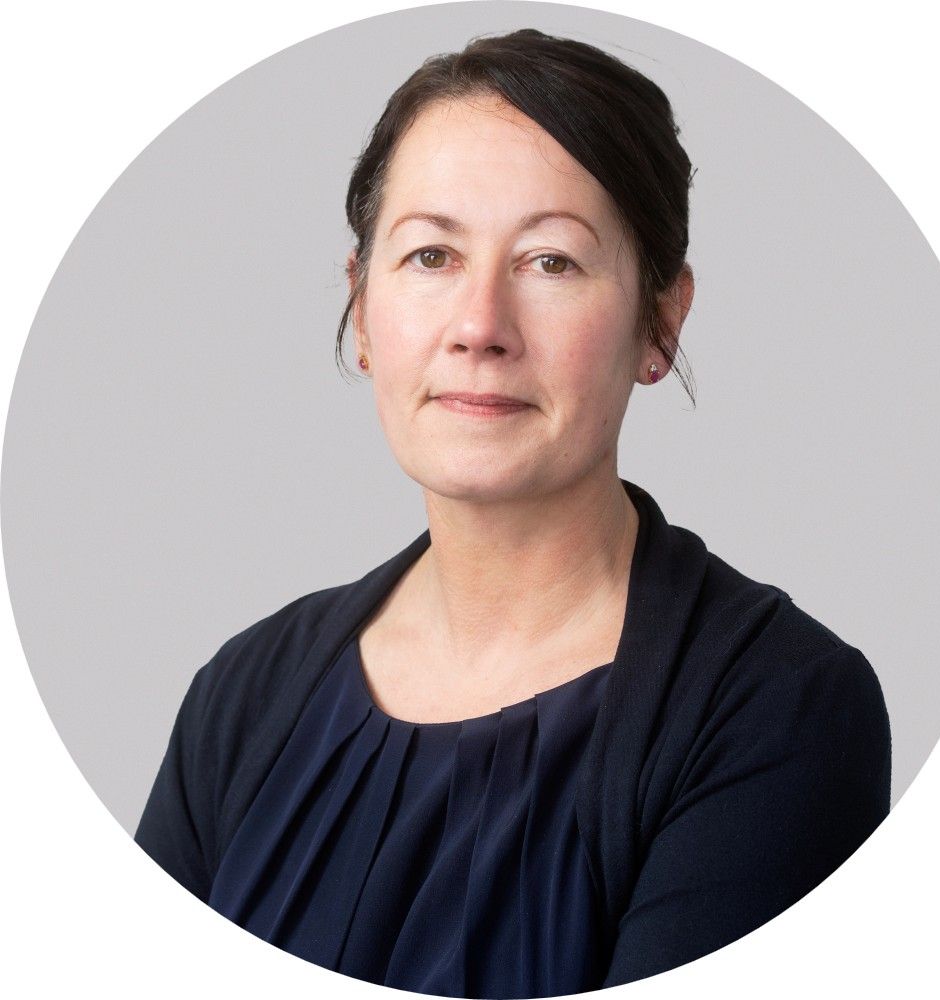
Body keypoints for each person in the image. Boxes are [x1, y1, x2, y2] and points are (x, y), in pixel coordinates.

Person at [135, 28, 891, 999]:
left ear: (660, 323)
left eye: (551, 262)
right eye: (431, 255)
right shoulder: (242, 698)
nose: (480, 327)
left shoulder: (779, 709)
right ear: (362, 309)